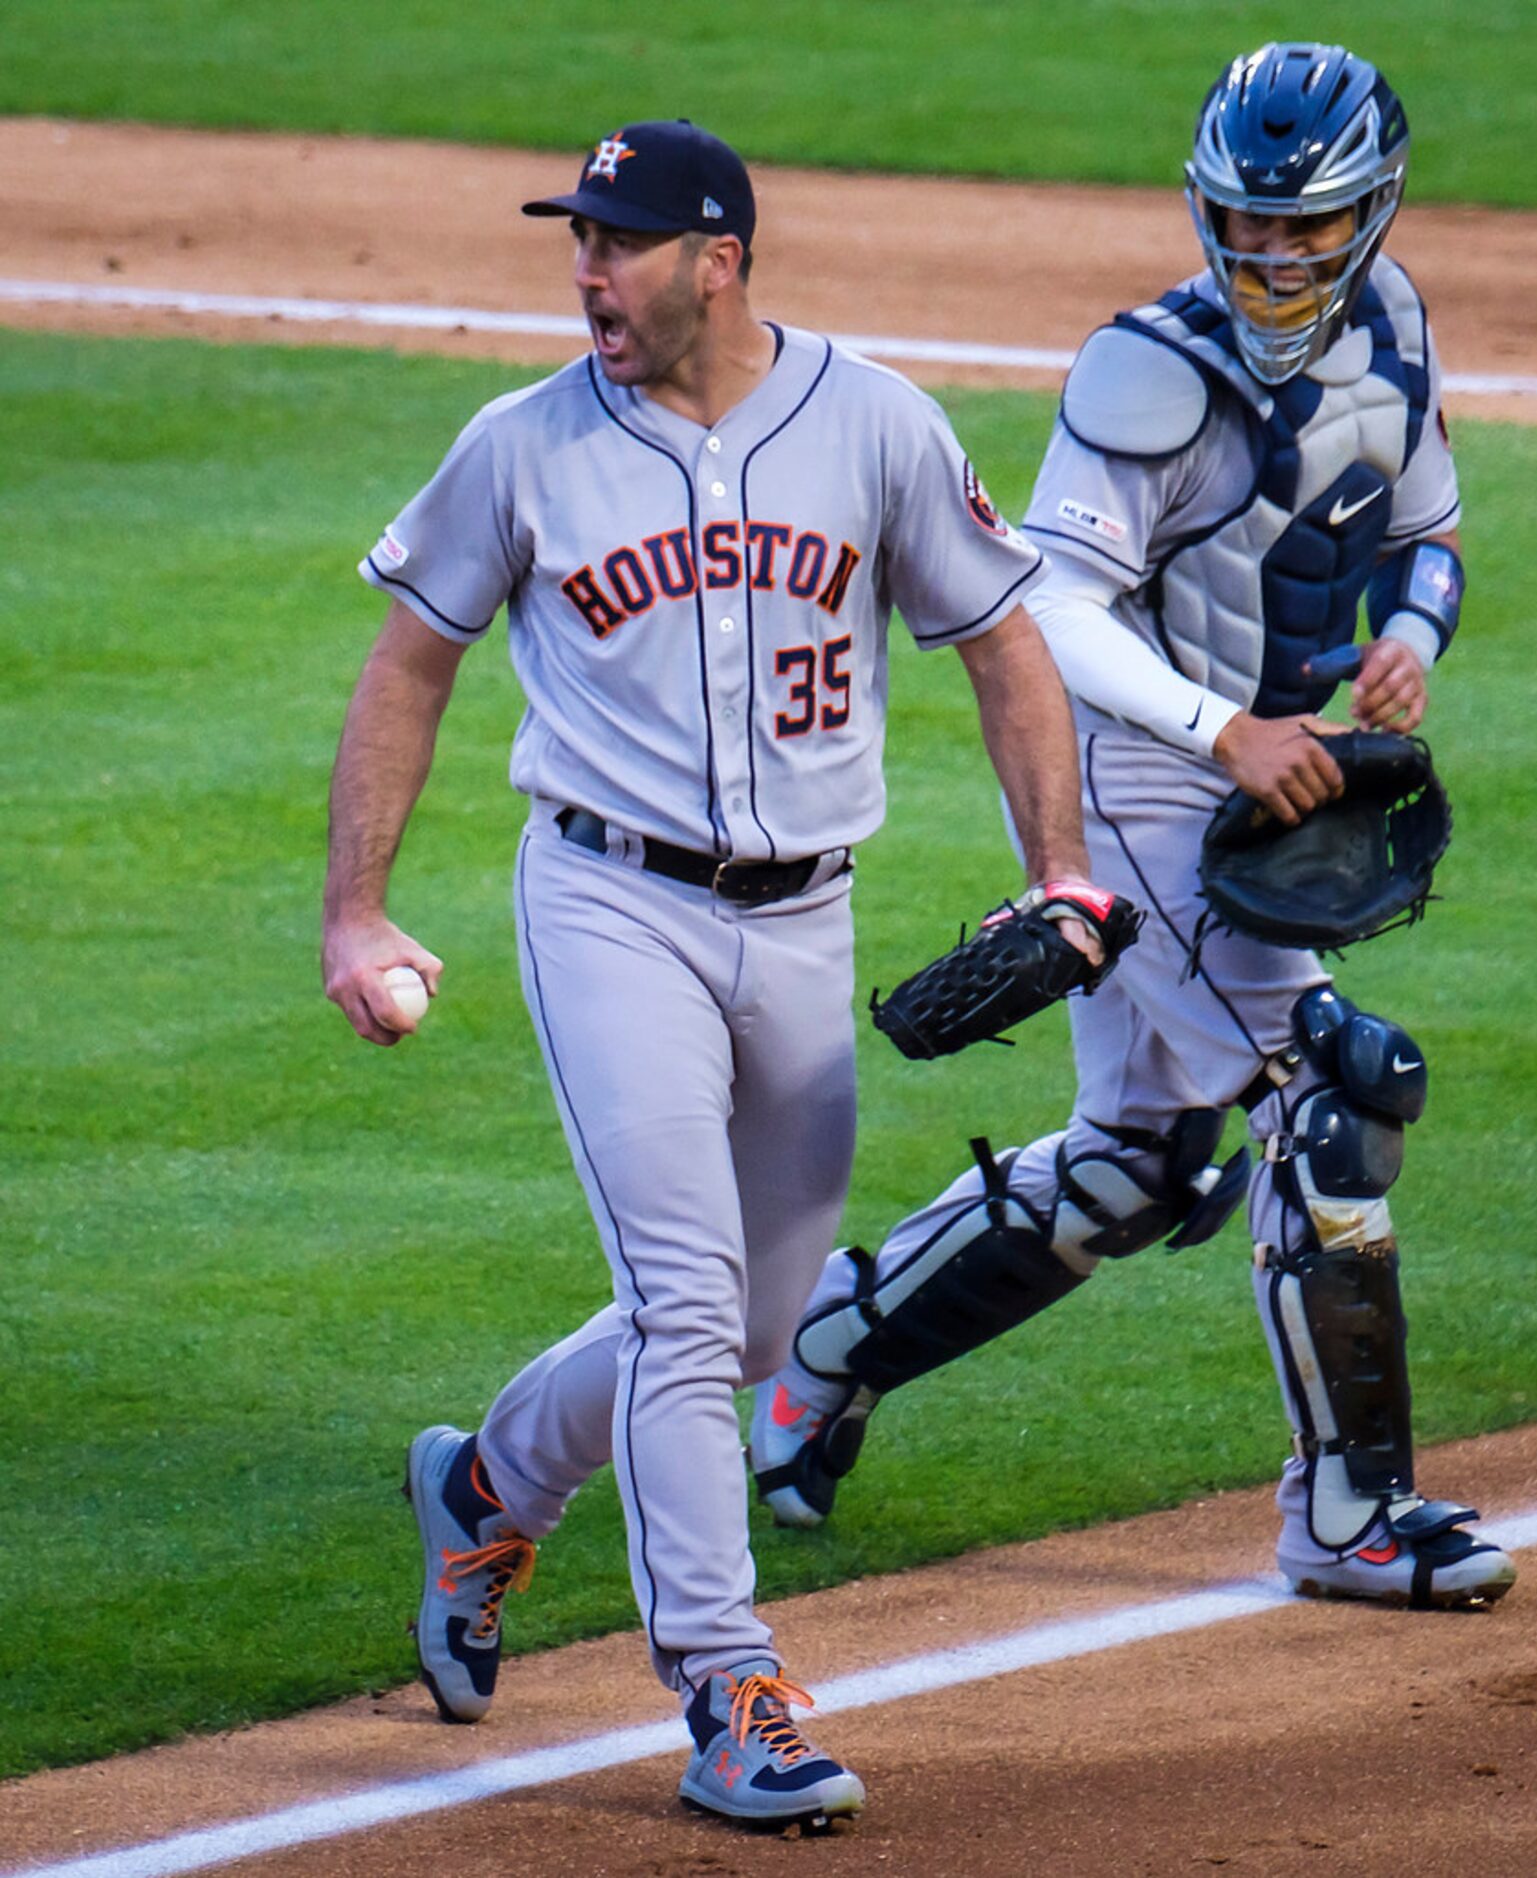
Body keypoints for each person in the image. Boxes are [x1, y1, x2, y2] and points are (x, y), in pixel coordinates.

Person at [321, 119, 1110, 1830]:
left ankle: (481, 1485)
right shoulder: (519, 446)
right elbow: (409, 666)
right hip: (609, 907)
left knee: (752, 1324)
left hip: (805, 918)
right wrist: (357, 912)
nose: (587, 270)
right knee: (687, 1300)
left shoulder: (877, 424)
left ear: (719, 258)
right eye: (576, 240)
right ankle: (728, 1683)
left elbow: (1003, 639)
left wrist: (1060, 863)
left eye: (619, 240)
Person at [751, 44, 1518, 1614]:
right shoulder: (1147, 379)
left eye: (1307, 230)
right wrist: (1221, 728)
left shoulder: (1396, 328)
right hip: (1156, 789)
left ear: (1372, 216)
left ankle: (819, 1354)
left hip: (1274, 774)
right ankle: (1347, 1513)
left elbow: (1429, 533)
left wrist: (1412, 645)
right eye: (1246, 226)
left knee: (1140, 1165)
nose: (1274, 260)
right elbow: (1046, 610)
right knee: (1340, 1085)